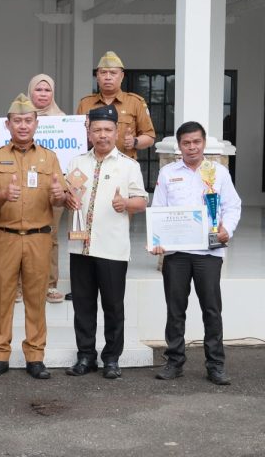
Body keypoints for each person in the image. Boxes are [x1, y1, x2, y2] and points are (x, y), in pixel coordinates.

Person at [0, 94, 67, 381]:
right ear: (7, 125)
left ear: (36, 123)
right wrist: (4, 195)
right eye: (17, 121)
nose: (23, 125)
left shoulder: (49, 157)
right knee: (2, 299)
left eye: (28, 120)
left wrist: (59, 195)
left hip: (38, 238)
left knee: (36, 298)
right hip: (4, 237)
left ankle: (35, 356)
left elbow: (60, 196)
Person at [150, 121, 241, 386]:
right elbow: (159, 209)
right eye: (186, 143)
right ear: (179, 146)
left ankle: (216, 365)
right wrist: (157, 240)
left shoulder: (218, 173)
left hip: (208, 253)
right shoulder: (168, 173)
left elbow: (232, 206)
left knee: (211, 310)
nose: (192, 147)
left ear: (204, 143)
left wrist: (227, 229)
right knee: (175, 309)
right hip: (176, 253)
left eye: (196, 142)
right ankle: (174, 362)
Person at [64, 105, 148, 380]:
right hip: (80, 247)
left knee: (113, 307)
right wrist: (65, 197)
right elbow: (66, 194)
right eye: (97, 130)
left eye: (108, 130)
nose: (102, 135)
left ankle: (111, 358)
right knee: (83, 306)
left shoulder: (129, 165)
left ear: (116, 132)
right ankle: (85, 356)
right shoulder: (77, 162)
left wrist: (126, 204)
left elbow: (142, 201)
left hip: (112, 249)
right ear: (89, 133)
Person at [28, 73, 67, 304]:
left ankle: (50, 285)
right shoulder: (21, 116)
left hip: (53, 188)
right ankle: (20, 285)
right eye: (38, 89)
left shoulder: (63, 121)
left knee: (50, 236)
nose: (43, 94)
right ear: (30, 91)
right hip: (24, 188)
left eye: (47, 90)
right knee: (22, 236)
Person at [76, 51, 156, 160]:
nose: (108, 77)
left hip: (124, 164)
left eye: (113, 73)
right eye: (103, 73)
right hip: (92, 163)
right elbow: (77, 139)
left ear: (122, 76)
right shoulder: (85, 103)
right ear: (97, 76)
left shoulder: (135, 102)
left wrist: (134, 141)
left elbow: (149, 137)